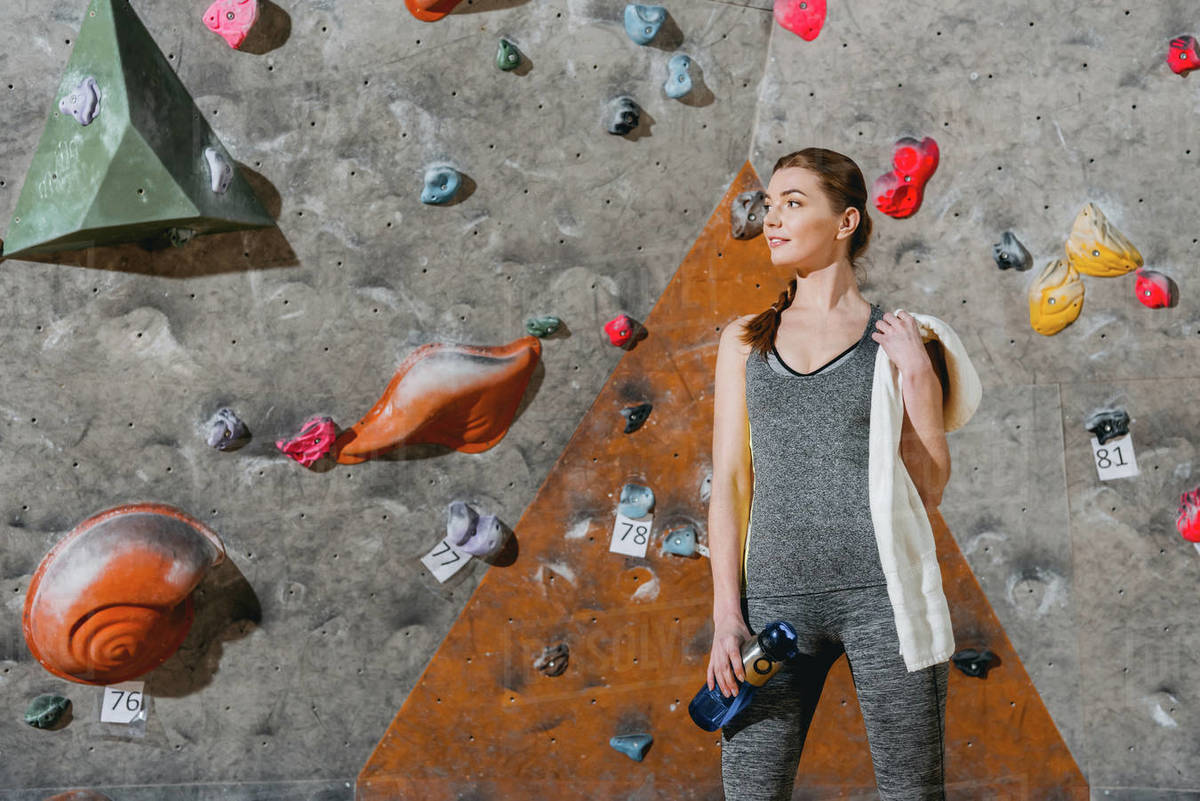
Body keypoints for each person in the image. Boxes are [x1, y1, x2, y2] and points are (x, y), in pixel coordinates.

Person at [707, 147, 951, 801]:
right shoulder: (744, 340)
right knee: (751, 791)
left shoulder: (897, 338)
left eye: (794, 202)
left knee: (913, 791)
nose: (772, 219)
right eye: (770, 204)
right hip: (774, 606)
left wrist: (919, 373)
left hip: (883, 598)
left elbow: (926, 488)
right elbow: (730, 483)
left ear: (845, 222)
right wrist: (727, 615)